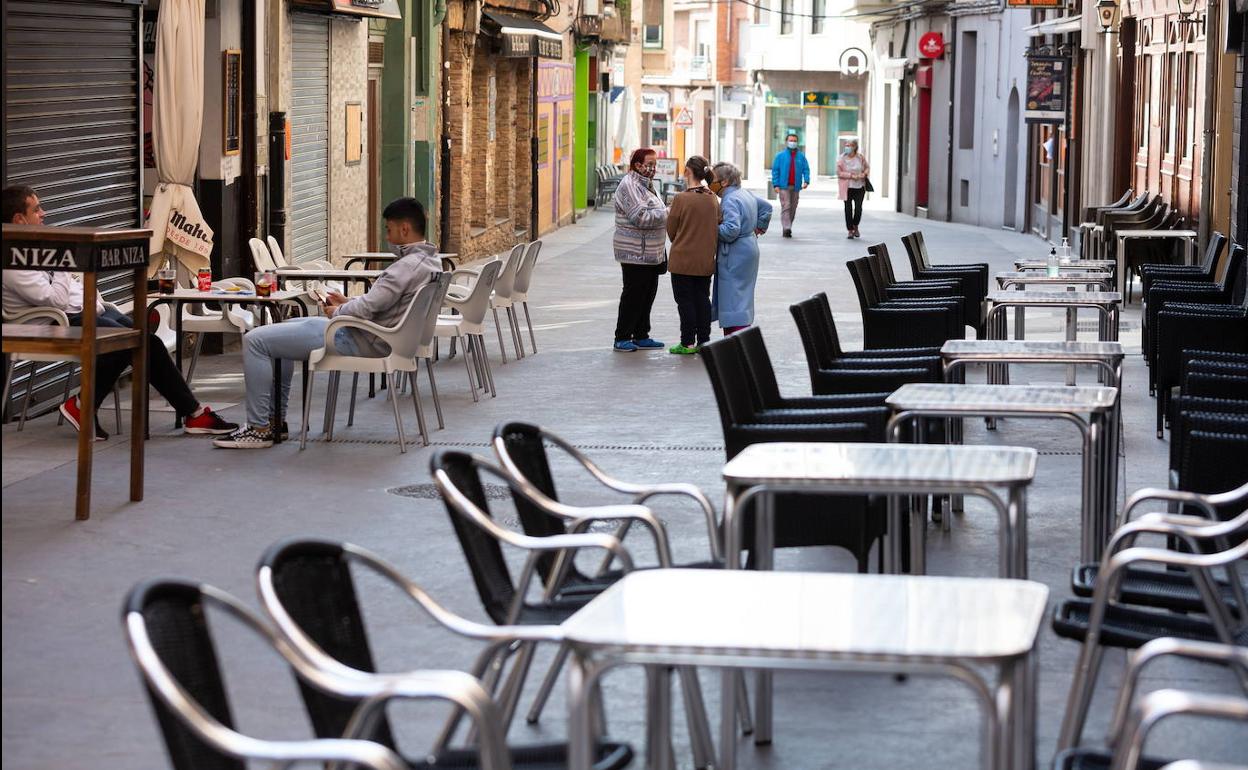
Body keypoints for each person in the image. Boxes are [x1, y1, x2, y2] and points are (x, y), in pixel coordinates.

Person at [1, 185, 236, 441]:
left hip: (81, 312)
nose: (44, 213)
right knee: (130, 343)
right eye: (36, 210)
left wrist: (86, 293)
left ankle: (190, 412)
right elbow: (56, 298)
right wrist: (62, 257)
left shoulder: (33, 246)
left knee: (147, 341)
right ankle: (191, 413)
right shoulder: (12, 261)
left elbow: (70, 289)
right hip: (54, 323)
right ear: (19, 220)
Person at [213, 197, 440, 449]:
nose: (387, 236)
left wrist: (338, 310)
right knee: (278, 333)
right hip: (386, 338)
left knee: (255, 340)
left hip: (360, 338)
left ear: (404, 229)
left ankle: (258, 428)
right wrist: (346, 301)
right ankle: (275, 421)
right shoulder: (431, 263)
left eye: (388, 229)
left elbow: (368, 307)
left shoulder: (404, 267)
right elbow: (383, 304)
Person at [612, 148, 669, 352]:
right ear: (638, 165)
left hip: (651, 253)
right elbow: (641, 217)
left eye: (655, 164)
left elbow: (653, 211)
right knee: (634, 294)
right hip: (635, 252)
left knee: (647, 294)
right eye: (650, 164)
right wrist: (668, 212)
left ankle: (641, 334)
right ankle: (622, 336)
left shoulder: (647, 185)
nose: (653, 168)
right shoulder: (629, 185)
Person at [664, 156, 719, 355]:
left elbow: (671, 229)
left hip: (682, 260)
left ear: (687, 171)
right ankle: (704, 340)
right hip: (705, 260)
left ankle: (687, 342)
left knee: (685, 301)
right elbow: (718, 222)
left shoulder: (681, 198)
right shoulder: (712, 198)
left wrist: (682, 239)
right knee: (703, 299)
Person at [710, 163, 772, 336]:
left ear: (725, 182)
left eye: (714, 180)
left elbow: (730, 230)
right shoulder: (744, 193)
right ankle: (741, 336)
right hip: (749, 247)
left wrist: (709, 228)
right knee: (743, 297)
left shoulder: (729, 199)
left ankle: (735, 339)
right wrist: (757, 229)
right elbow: (766, 208)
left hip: (734, 252)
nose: (710, 183)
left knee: (732, 298)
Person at [769, 133, 810, 239]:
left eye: (794, 140)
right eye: (791, 140)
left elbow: (806, 169)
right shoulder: (780, 156)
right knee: (786, 206)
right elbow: (775, 171)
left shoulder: (801, 156)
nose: (793, 142)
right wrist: (776, 184)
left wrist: (806, 180)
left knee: (793, 207)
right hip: (783, 186)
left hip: (796, 186)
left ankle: (787, 226)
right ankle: (787, 227)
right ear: (787, 142)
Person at [837, 139, 870, 239]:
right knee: (848, 208)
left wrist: (864, 174)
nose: (847, 147)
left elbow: (867, 167)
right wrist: (851, 176)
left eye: (850, 145)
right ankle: (850, 230)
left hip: (859, 186)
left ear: (855, 147)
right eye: (846, 145)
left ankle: (856, 225)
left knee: (858, 207)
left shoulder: (860, 158)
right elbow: (839, 173)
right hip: (847, 187)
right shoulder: (841, 158)